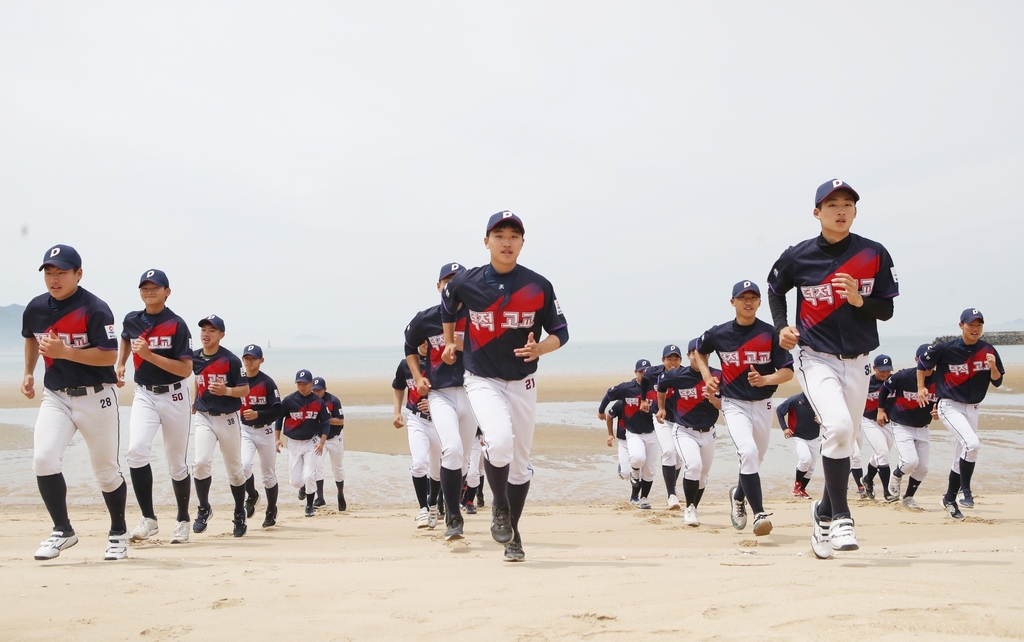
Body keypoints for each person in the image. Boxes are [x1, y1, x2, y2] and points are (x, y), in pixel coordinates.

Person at [767, 179, 899, 559]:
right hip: (814, 357)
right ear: (817, 213)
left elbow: (887, 309)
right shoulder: (798, 256)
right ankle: (842, 516)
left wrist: (860, 299)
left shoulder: (874, 254)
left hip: (859, 363)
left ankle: (822, 512)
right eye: (832, 205)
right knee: (839, 427)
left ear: (855, 211)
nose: (840, 210)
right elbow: (776, 289)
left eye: (847, 204)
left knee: (846, 439)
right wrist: (781, 328)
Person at [440, 210, 568, 562]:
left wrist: (540, 347)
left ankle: (514, 529)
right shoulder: (468, 281)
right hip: (482, 378)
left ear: (523, 242)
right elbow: (447, 304)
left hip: (523, 382)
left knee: (521, 464)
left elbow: (561, 332)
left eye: (514, 235)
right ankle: (499, 505)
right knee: (497, 442)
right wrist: (451, 342)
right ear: (486, 242)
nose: (506, 241)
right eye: (499, 235)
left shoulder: (538, 285)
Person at [22, 244, 129, 561]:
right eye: (49, 273)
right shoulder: (36, 308)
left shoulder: (95, 308)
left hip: (97, 397)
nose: (54, 279)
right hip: (56, 396)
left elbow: (109, 354)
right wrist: (28, 372)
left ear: (78, 274)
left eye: (61, 273)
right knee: (43, 459)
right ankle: (62, 530)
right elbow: (31, 336)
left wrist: (66, 352)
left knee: (106, 471)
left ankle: (118, 533)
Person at [695, 280, 794, 537]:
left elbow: (787, 372)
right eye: (742, 297)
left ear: (760, 302)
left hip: (764, 404)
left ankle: (738, 495)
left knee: (755, 459)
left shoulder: (771, 333)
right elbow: (699, 350)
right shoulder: (719, 333)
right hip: (733, 403)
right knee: (748, 453)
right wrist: (706, 375)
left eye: (753, 297)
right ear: (733, 302)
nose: (748, 302)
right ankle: (759, 513)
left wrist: (765, 380)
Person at [117, 269, 194, 545]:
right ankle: (148, 519)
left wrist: (149, 355)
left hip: (175, 396)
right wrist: (122, 363)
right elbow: (126, 338)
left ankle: (183, 519)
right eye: (144, 288)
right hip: (144, 394)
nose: (149, 292)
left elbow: (186, 369)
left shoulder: (176, 324)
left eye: (155, 288)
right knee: (136, 451)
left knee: (176, 463)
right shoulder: (132, 319)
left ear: (167, 292)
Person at [405, 262, 478, 541]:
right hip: (440, 393)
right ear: (438, 286)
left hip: (473, 390)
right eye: (446, 280)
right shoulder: (427, 318)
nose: (451, 284)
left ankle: (449, 507)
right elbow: (410, 345)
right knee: (452, 448)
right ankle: (453, 516)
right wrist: (417, 375)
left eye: (457, 279)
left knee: (463, 461)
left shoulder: (477, 316)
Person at [918, 309, 1004, 516]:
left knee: (963, 454)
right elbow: (923, 363)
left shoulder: (988, 350)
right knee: (972, 444)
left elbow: (998, 381)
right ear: (961, 326)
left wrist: (993, 367)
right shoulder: (946, 348)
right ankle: (966, 491)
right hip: (949, 405)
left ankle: (949, 499)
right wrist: (921, 387)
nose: (975, 329)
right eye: (971, 324)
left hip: (973, 408)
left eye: (979, 325)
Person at [191, 315, 250, 538]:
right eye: (204, 330)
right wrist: (194, 399)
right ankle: (204, 508)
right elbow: (196, 378)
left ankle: (238, 512)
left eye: (212, 331)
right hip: (204, 416)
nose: (206, 334)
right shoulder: (194, 357)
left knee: (235, 469)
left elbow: (244, 390)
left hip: (228, 418)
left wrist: (226, 391)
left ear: (221, 335)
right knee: (200, 462)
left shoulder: (231, 360)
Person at [655, 338, 722, 526]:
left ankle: (693, 507)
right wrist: (661, 408)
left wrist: (715, 402)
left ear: (707, 356)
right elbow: (661, 385)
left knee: (703, 475)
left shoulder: (717, 376)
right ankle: (690, 508)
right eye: (694, 353)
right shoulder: (677, 376)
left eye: (703, 353)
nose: (698, 356)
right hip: (684, 430)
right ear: (689, 355)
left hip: (709, 432)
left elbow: (726, 403)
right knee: (693, 465)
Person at [880, 345, 937, 511]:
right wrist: (881, 410)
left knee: (923, 468)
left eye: (931, 360)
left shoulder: (939, 379)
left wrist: (938, 410)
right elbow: (884, 389)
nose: (927, 364)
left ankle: (908, 497)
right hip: (901, 424)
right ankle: (897, 474)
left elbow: (943, 398)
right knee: (910, 461)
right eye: (923, 359)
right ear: (916, 359)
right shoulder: (904, 376)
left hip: (923, 426)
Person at [599, 360, 660, 508]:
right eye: (641, 371)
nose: (644, 374)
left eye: (647, 371)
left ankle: (643, 498)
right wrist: (601, 410)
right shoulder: (627, 388)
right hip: (633, 433)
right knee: (638, 459)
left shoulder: (657, 389)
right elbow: (609, 393)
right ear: (635, 373)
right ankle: (632, 481)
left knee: (649, 470)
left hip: (653, 433)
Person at [392, 350, 442, 529]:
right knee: (420, 462)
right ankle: (423, 508)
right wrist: (397, 412)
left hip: (439, 421)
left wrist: (433, 403)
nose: (423, 342)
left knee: (436, 470)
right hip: (416, 419)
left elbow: (453, 391)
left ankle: (434, 503)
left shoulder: (439, 361)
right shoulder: (406, 364)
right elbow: (398, 386)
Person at [276, 370, 330, 517]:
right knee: (294, 481)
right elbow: (279, 419)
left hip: (311, 442)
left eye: (305, 383)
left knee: (309, 475)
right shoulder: (289, 400)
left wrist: (322, 442)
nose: (302, 386)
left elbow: (326, 423)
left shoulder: (318, 402)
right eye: (299, 383)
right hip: (293, 443)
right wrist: (277, 438)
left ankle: (309, 506)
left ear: (311, 383)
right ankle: (304, 487)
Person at [239, 344, 282, 528]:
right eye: (247, 358)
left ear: (261, 360)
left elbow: (278, 410)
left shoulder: (267, 382)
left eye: (253, 358)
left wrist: (259, 415)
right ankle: (252, 495)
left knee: (268, 475)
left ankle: (271, 509)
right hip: (245, 430)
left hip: (265, 431)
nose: (249, 361)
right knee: (243, 466)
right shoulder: (238, 381)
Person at [638, 344, 684, 510]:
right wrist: (643, 399)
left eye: (676, 359)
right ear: (662, 360)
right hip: (661, 418)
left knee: (678, 457)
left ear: (681, 360)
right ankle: (671, 495)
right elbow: (644, 381)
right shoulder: (652, 372)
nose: (673, 362)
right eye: (669, 359)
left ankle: (672, 488)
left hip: (680, 420)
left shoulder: (684, 374)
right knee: (668, 451)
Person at [860, 355, 897, 502]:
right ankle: (887, 492)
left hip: (889, 423)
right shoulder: (866, 383)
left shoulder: (894, 381)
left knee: (879, 455)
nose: (885, 373)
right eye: (882, 370)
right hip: (870, 421)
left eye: (888, 370)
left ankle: (868, 479)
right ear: (874, 368)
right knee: (883, 453)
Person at [776, 392, 820, 499]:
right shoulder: (795, 399)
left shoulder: (819, 400)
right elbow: (779, 410)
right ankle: (796, 484)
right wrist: (784, 428)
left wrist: (821, 421)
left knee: (811, 467)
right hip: (798, 436)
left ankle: (802, 489)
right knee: (805, 459)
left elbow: (828, 415)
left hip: (813, 437)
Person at [311, 377, 347, 511]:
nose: (316, 393)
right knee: (317, 465)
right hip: (320, 440)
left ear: (324, 389)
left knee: (337, 468)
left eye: (318, 391)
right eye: (313, 390)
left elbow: (340, 421)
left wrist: (324, 420)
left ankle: (340, 495)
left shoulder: (333, 401)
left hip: (335, 438)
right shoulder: (309, 401)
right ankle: (320, 498)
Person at [604, 400, 629, 488]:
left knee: (640, 471)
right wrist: (610, 434)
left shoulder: (645, 401)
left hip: (641, 438)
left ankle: (637, 495)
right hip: (624, 439)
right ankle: (621, 466)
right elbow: (609, 415)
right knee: (626, 474)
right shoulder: (620, 403)